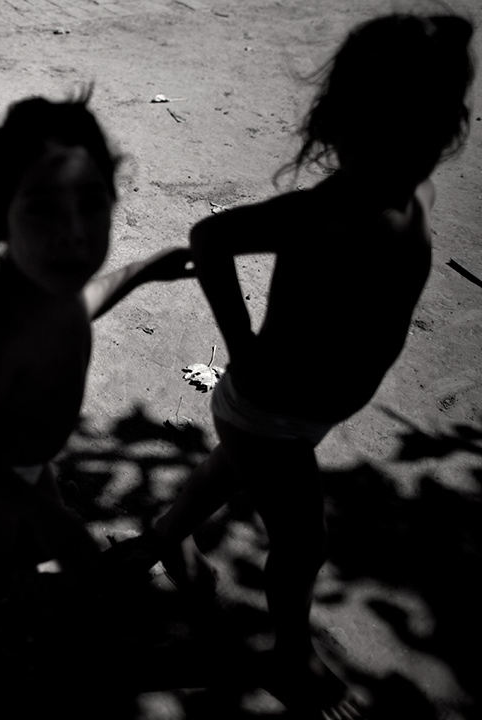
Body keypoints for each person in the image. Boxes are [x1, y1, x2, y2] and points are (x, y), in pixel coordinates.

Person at [100, 14, 476, 719]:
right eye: (380, 143)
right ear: (343, 130)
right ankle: (291, 656)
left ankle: (155, 541)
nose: (397, 164)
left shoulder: (412, 197)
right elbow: (209, 237)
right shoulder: (323, 211)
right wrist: (240, 342)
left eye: (418, 142)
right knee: (302, 546)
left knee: (222, 473)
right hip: (268, 412)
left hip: (299, 416)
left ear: (440, 136)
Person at [0, 94, 193, 659]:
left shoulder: (55, 282)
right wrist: (46, 509)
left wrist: (143, 271)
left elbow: (88, 298)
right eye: (43, 208)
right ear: (0, 221)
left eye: (91, 204)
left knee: (32, 542)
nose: (72, 231)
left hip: (19, 460)